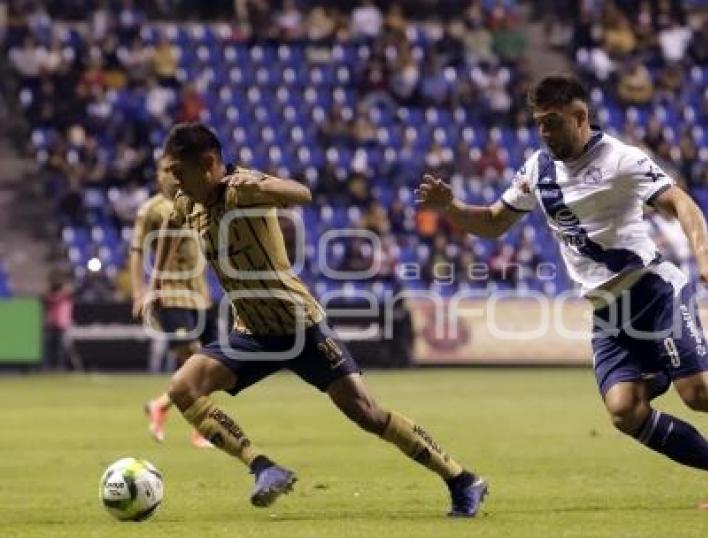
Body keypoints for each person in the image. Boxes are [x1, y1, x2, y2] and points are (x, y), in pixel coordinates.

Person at [416, 74, 708, 509]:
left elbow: (681, 202)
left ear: (580, 117)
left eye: (552, 122)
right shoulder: (538, 168)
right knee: (624, 411)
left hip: (653, 291)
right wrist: (452, 209)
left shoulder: (622, 160)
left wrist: (703, 254)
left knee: (703, 397)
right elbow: (494, 222)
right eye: (538, 124)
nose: (544, 133)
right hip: (607, 311)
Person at [147, 123, 486, 516]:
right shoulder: (191, 203)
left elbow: (301, 194)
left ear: (208, 165)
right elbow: (172, 225)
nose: (174, 182)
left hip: (299, 326)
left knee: (367, 413)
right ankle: (265, 468)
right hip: (253, 332)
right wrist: (156, 283)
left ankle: (462, 480)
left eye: (180, 173)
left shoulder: (244, 188)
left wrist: (264, 186)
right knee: (184, 388)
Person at [131, 156, 212, 447]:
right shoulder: (151, 210)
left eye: (175, 170)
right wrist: (139, 291)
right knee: (192, 359)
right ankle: (200, 429)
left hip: (201, 296)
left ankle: (162, 405)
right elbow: (136, 250)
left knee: (211, 365)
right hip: (172, 294)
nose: (170, 176)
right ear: (157, 176)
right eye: (165, 170)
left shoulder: (196, 203)